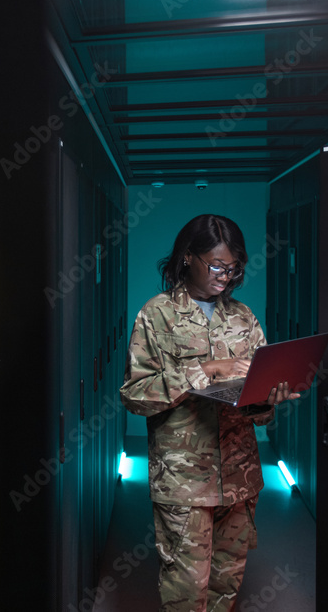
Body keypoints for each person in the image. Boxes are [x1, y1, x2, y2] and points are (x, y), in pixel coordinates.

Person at [118, 213, 300, 612]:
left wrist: (269, 398)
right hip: (184, 481)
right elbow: (134, 395)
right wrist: (202, 371)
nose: (226, 277)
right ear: (188, 258)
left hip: (240, 477)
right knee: (186, 589)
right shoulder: (157, 315)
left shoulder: (243, 318)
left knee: (226, 583)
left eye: (233, 268)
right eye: (217, 265)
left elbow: (256, 409)